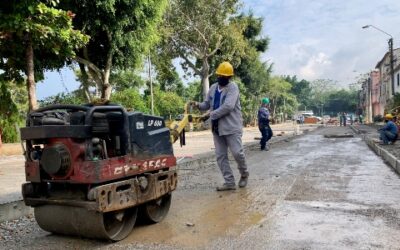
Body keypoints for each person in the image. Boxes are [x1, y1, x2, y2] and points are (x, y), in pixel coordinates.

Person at [190, 61, 249, 191]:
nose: (221, 78)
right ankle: (229, 182)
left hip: (232, 127)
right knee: (220, 156)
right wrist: (198, 105)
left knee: (237, 153)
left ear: (229, 77)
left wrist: (210, 115)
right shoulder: (212, 87)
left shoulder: (233, 88)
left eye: (224, 76)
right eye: (219, 75)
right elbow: (207, 104)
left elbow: (228, 106)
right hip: (217, 129)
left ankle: (244, 174)